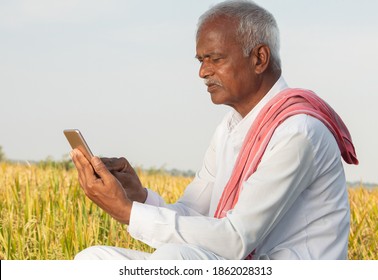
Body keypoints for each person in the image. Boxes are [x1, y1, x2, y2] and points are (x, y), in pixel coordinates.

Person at [71, 0, 358, 260]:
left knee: (175, 260)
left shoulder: (297, 132)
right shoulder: (230, 128)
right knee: (93, 261)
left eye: (216, 59)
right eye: (200, 60)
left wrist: (126, 212)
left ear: (259, 58)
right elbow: (195, 215)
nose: (203, 72)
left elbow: (235, 239)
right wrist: (139, 198)